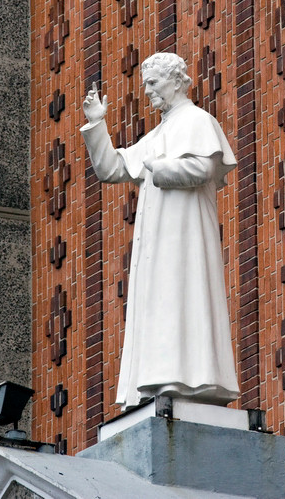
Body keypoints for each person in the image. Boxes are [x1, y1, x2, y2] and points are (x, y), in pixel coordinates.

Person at [81, 52, 240, 410]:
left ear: (177, 80)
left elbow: (203, 168)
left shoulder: (198, 121)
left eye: (153, 83)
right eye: (145, 84)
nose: (148, 91)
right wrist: (96, 125)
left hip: (185, 236)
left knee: (185, 298)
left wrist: (157, 167)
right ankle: (159, 379)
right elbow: (112, 168)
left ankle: (190, 378)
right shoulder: (158, 132)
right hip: (157, 239)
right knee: (161, 302)